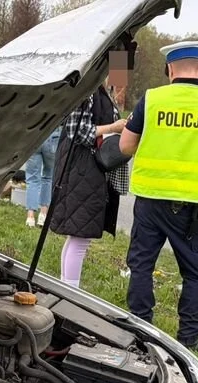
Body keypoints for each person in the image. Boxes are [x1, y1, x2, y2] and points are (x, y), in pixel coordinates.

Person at [117, 40, 198, 349]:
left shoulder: (152, 99)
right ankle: (189, 340)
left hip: (150, 199)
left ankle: (141, 330)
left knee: (142, 264)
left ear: (170, 69)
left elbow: (125, 147)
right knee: (196, 271)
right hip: (191, 203)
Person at [47, 60, 130, 288]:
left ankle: (66, 286)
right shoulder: (87, 89)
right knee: (80, 236)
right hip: (81, 168)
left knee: (77, 234)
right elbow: (77, 131)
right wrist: (113, 128)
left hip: (85, 168)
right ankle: (70, 291)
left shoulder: (100, 90)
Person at [23, 125, 61, 228]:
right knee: (48, 177)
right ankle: (43, 215)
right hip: (53, 134)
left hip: (35, 134)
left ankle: (30, 217)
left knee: (32, 178)